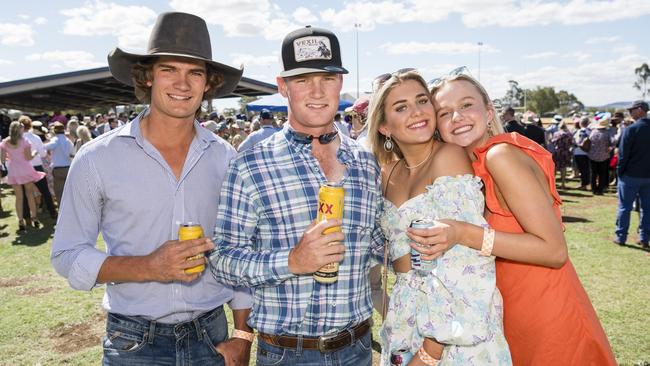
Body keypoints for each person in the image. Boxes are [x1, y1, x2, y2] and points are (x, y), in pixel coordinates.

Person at [50, 12, 253, 365]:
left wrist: (243, 336)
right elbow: (66, 255)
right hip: (133, 343)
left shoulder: (225, 157)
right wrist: (147, 266)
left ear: (208, 84)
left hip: (212, 337)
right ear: (147, 78)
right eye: (168, 70)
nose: (182, 83)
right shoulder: (97, 157)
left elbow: (238, 251)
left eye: (195, 72)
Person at [210, 25, 383, 365]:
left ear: (340, 84)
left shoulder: (364, 161)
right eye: (303, 80)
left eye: (328, 78)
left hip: (359, 349)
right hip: (289, 354)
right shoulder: (251, 165)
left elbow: (378, 243)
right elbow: (222, 262)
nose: (317, 91)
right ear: (283, 87)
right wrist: (292, 261)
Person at [429, 72, 616, 365]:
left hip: (547, 313)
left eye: (467, 105)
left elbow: (553, 250)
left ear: (489, 111)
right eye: (444, 112)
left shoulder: (500, 156)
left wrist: (463, 233)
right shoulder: (473, 166)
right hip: (511, 311)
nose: (457, 116)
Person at [367, 69, 510, 365]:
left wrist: (430, 352)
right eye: (401, 107)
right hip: (405, 316)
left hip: (454, 330)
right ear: (384, 127)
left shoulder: (449, 157)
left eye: (422, 101)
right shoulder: (388, 173)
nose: (417, 112)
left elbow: (468, 264)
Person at [615, 100, 650, 248]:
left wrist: (620, 173)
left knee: (625, 207)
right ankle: (644, 238)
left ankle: (621, 237)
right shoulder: (632, 128)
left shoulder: (630, 130)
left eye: (632, 110)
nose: (630, 113)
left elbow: (623, 156)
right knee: (647, 208)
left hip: (630, 176)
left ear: (641, 110)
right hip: (647, 176)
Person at [0, 121, 45, 231]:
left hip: (14, 170)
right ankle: (34, 218)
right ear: (20, 130)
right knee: (30, 195)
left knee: (18, 197)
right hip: (25, 169)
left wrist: (11, 158)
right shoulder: (24, 141)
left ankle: (21, 221)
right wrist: (35, 152)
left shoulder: (5, 142)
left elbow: (2, 159)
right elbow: (29, 158)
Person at [19, 115, 57, 219]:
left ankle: (26, 216)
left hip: (23, 168)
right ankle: (52, 212)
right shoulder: (35, 138)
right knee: (45, 191)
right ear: (30, 125)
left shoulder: (18, 139)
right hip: (36, 166)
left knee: (24, 193)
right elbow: (43, 154)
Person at [43, 122, 73, 206]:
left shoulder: (55, 139)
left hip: (58, 169)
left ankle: (62, 209)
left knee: (59, 192)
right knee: (69, 190)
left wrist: (40, 145)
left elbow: (47, 146)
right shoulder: (68, 140)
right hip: (68, 168)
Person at [587, 115, 613, 195]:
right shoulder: (607, 133)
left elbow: (589, 141)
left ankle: (594, 189)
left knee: (593, 173)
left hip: (592, 155)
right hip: (604, 156)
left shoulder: (593, 132)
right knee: (602, 174)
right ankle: (600, 189)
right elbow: (613, 142)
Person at [551, 121, 574, 189]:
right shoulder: (569, 134)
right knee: (563, 168)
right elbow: (571, 143)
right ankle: (563, 184)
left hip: (557, 151)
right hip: (565, 152)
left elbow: (553, 142)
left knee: (555, 168)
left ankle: (553, 184)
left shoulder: (556, 133)